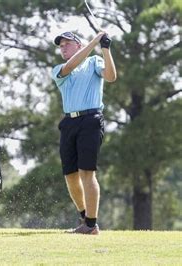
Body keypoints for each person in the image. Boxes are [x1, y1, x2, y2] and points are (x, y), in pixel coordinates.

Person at [51, 31, 117, 234]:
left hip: (91, 120)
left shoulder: (94, 61)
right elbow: (71, 66)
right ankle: (83, 216)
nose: (63, 48)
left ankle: (91, 224)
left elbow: (111, 77)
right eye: (61, 46)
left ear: (78, 46)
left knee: (87, 172)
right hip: (69, 122)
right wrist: (95, 41)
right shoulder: (58, 69)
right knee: (70, 175)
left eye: (67, 44)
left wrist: (105, 49)